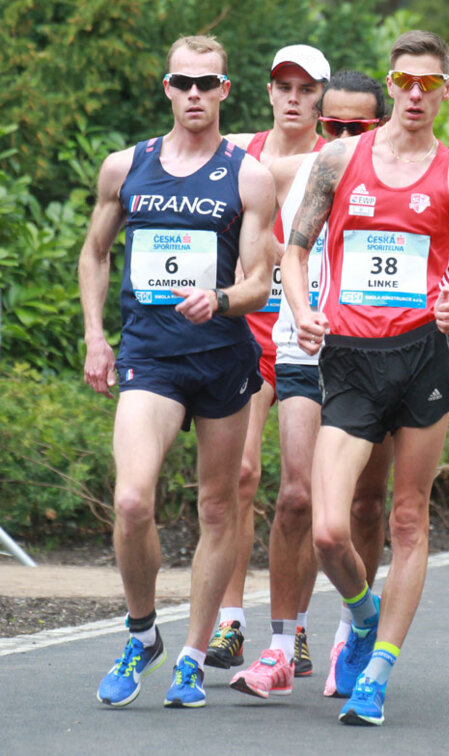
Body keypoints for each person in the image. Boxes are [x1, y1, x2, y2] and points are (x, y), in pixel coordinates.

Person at [281, 30, 449, 726]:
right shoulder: (341, 159)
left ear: (444, 92)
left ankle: (377, 671)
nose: (413, 94)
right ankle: (362, 612)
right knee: (327, 530)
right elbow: (296, 248)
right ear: (390, 81)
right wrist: (301, 309)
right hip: (347, 357)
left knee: (408, 517)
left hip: (423, 359)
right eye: (404, 81)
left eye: (428, 84)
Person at [80, 34, 275, 707]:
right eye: (182, 82)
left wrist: (220, 299)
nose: (194, 94)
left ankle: (193, 654)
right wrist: (94, 336)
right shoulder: (124, 166)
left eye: (207, 83)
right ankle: (141, 633)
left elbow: (260, 282)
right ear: (166, 88)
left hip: (222, 360)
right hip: (149, 357)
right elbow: (95, 252)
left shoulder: (247, 175)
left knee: (219, 506)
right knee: (133, 499)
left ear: (226, 91)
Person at [229, 71, 393, 698]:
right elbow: (243, 224)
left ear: (379, 126)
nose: (343, 140)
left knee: (364, 507)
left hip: (378, 355)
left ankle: (355, 627)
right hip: (307, 347)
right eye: (334, 127)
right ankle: (279, 647)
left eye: (359, 128)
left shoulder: (406, 183)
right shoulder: (291, 175)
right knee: (297, 496)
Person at [205, 44, 329, 676]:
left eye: (307, 89)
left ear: (322, 98)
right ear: (269, 92)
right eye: (284, 86)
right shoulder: (240, 157)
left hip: (309, 335)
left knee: (300, 494)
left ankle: (297, 627)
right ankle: (231, 623)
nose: (293, 98)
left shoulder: (338, 159)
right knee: (241, 475)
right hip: (250, 332)